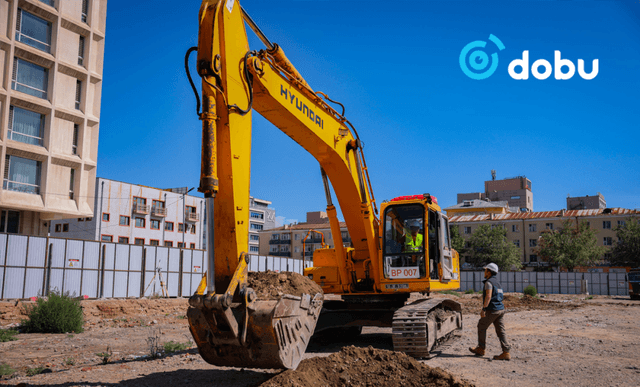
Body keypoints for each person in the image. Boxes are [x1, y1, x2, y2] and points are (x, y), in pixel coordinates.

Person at [469, 263, 511, 360]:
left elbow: (488, 296)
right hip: (500, 309)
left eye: (485, 270)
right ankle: (506, 352)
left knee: (481, 326)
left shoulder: (489, 282)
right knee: (501, 331)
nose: (484, 272)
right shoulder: (498, 283)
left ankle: (481, 348)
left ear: (489, 272)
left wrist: (484, 309)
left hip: (492, 309)